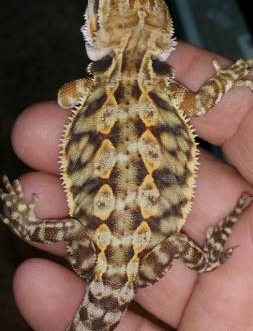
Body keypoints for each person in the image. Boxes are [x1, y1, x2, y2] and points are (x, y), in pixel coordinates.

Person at [7, 42, 253, 330]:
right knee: (167, 241)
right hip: (129, 265)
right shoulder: (161, 85)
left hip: (116, 261)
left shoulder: (152, 82)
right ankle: (206, 262)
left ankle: (26, 228)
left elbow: (65, 96)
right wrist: (229, 77)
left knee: (74, 228)